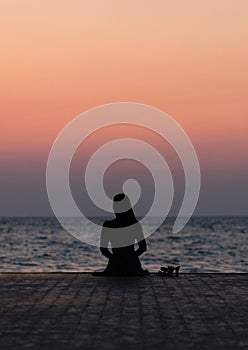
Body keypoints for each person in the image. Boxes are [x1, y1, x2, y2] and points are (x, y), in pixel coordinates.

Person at [93, 193, 149, 276]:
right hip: (132, 266)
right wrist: (130, 258)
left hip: (115, 265)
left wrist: (115, 259)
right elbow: (143, 247)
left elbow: (104, 249)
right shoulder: (134, 224)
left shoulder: (109, 225)